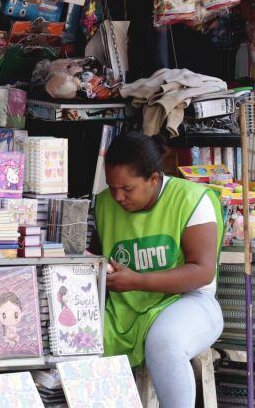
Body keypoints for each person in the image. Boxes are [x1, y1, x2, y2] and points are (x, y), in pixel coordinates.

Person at [91, 132, 223, 408]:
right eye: (112, 187)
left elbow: (202, 271)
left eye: (127, 189)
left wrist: (137, 281)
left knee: (165, 343)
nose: (118, 197)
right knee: (77, 341)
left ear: (153, 178)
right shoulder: (103, 204)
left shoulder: (192, 199)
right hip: (123, 306)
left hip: (190, 301)